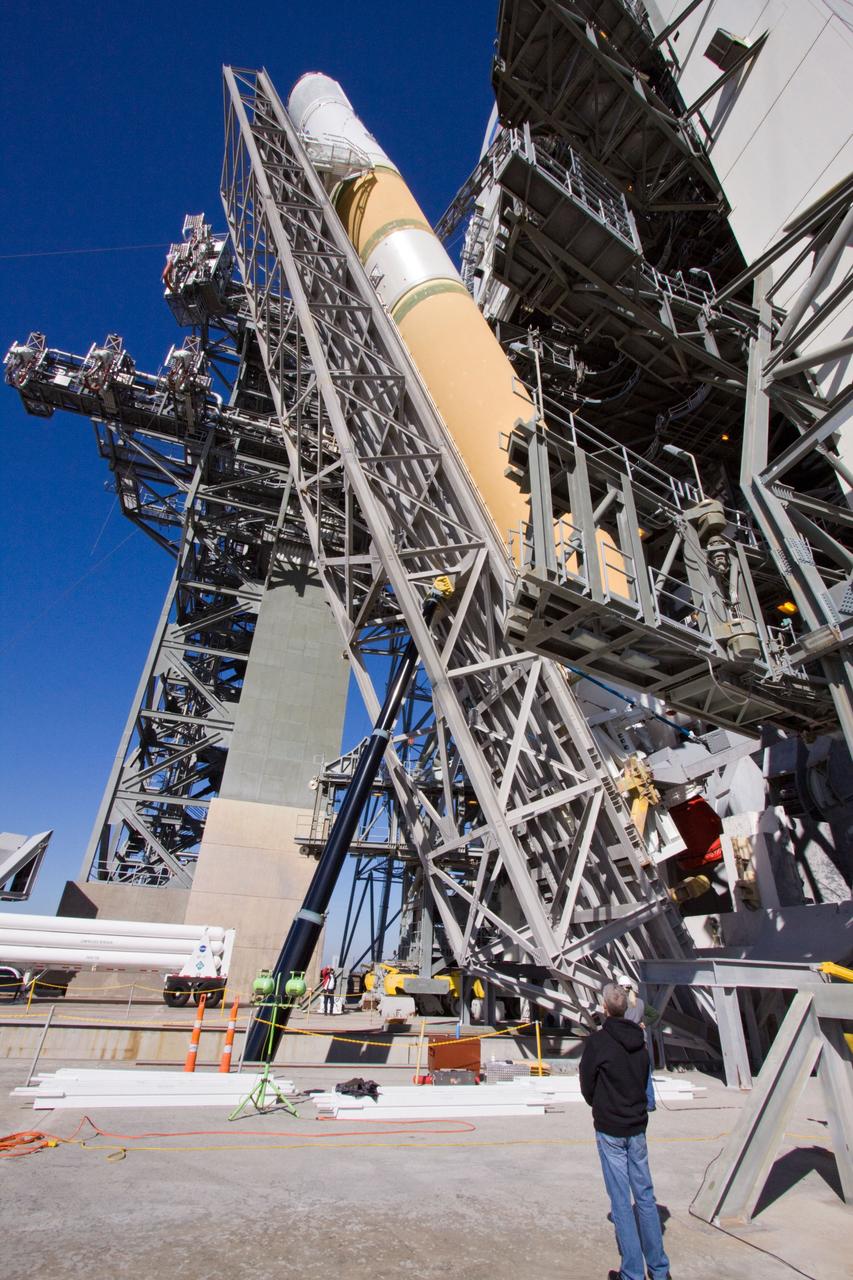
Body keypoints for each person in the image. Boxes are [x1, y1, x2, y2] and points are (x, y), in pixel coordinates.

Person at [579, 982, 671, 1280]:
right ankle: (659, 1270)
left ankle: (631, 1272)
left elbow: (587, 1085)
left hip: (611, 1128)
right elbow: (643, 1082)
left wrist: (601, 1106)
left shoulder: (598, 1043)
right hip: (636, 1127)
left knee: (621, 1200)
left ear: (605, 1009)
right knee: (645, 1197)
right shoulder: (641, 1044)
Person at [613, 971, 656, 1112]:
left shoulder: (620, 1004)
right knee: (646, 1074)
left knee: (625, 1073)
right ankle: (650, 1103)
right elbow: (655, 1014)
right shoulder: (640, 1002)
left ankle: (628, 1102)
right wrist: (644, 1022)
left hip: (624, 1041)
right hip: (640, 1040)